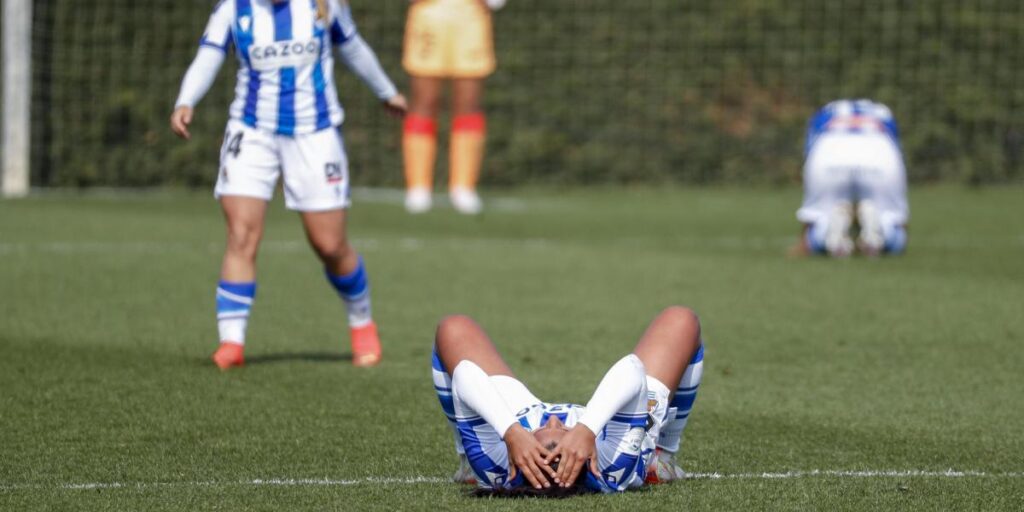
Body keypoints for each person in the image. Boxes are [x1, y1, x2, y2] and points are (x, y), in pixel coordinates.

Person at [170, 0, 407, 369]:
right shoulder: (233, 9)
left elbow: (353, 47)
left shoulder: (323, 5)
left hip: (315, 134)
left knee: (329, 244)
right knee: (241, 235)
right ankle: (231, 343)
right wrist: (186, 100)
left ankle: (361, 322)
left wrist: (386, 91)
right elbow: (209, 53)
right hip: (251, 132)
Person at [430, 306, 704, 495]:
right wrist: (586, 429)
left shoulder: (496, 466)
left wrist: (512, 432)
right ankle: (663, 456)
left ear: (519, 461)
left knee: (452, 328)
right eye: (562, 433)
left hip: (521, 415)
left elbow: (465, 373)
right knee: (681, 320)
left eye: (544, 436)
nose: (554, 420)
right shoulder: (611, 465)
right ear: (585, 461)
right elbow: (632, 369)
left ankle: (465, 460)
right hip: (619, 435)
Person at [400, 0, 507, 214]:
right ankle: (418, 187)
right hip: (428, 16)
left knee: (469, 103)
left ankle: (463, 187)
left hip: (471, 18)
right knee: (424, 101)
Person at [793, 99, 909, 257]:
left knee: (817, 222)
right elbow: (895, 147)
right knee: (894, 228)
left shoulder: (825, 112)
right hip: (878, 152)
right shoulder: (883, 112)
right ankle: (880, 233)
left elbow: (810, 149)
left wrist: (804, 240)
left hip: (830, 151)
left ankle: (827, 235)